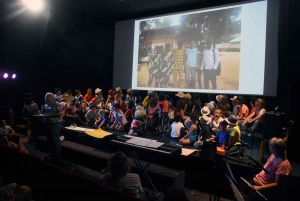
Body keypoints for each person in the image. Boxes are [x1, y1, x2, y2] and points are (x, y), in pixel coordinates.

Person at [41, 92, 63, 160]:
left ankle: (57, 156)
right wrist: (43, 110)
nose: (45, 98)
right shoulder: (46, 105)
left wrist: (51, 115)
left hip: (55, 124)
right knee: (49, 139)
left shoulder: (57, 104)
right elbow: (44, 113)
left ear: (51, 98)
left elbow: (60, 114)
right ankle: (51, 153)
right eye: (45, 96)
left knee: (55, 140)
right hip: (48, 124)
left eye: (46, 97)